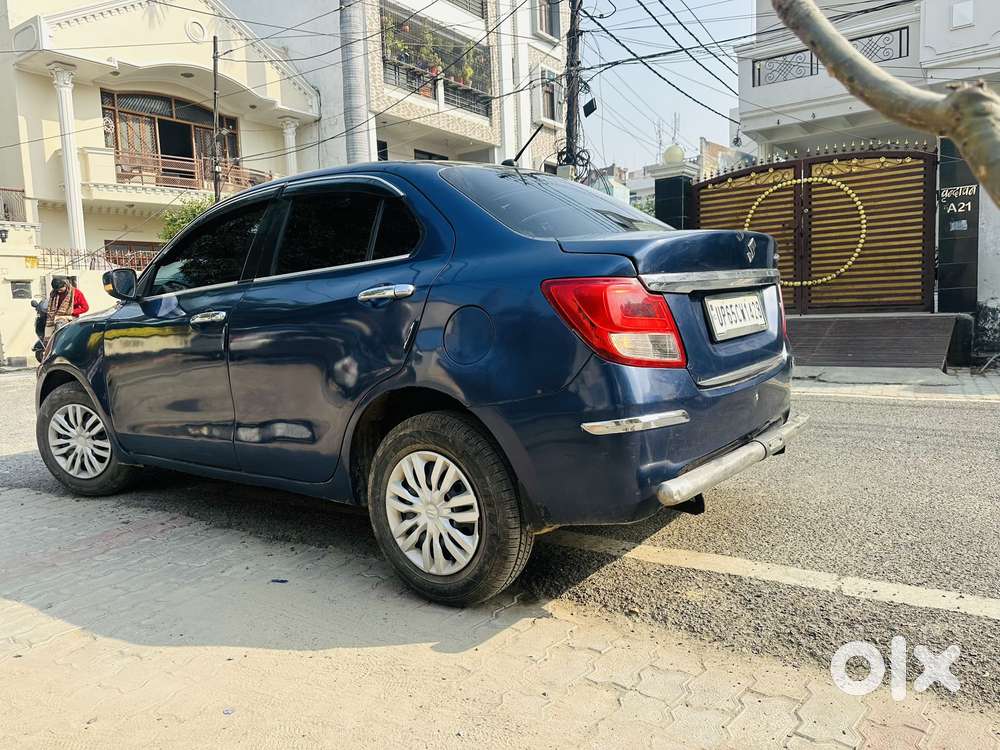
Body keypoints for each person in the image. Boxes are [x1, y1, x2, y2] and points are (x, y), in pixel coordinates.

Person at [44, 277, 89, 341]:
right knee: (47, 324)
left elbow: (85, 308)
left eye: (60, 289)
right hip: (56, 315)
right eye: (57, 290)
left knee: (59, 323)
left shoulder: (76, 293)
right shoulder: (54, 293)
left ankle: (60, 342)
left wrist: (71, 311)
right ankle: (48, 343)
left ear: (65, 285)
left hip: (70, 316)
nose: (59, 291)